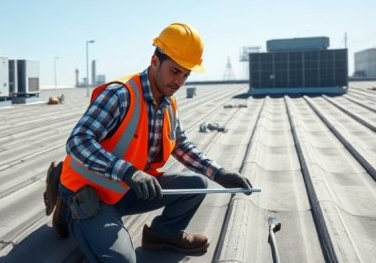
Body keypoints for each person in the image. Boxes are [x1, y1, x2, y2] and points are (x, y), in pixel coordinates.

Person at [53, 22, 253, 262]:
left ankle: (162, 235)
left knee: (196, 186)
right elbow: (77, 142)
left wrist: (219, 173)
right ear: (155, 61)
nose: (179, 82)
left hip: (128, 189)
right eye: (175, 71)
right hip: (91, 192)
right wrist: (129, 173)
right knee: (122, 261)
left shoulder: (168, 103)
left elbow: (180, 145)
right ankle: (65, 206)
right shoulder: (121, 94)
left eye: (186, 75)